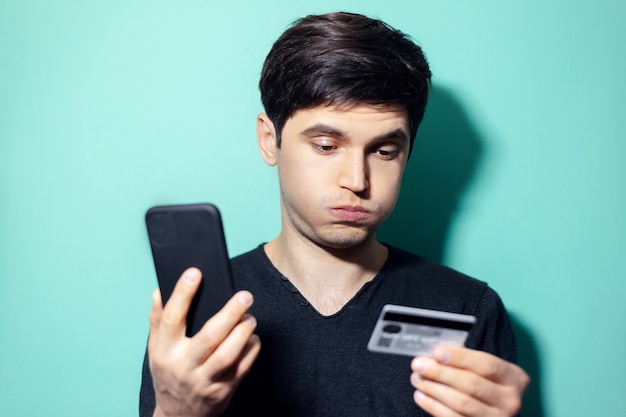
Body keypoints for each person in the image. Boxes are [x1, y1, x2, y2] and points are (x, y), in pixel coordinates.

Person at [140, 11, 529, 417]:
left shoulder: (467, 308)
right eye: (326, 146)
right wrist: (176, 412)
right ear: (269, 140)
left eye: (384, 151)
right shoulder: (200, 314)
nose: (356, 180)